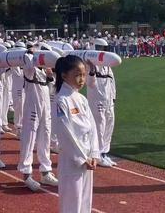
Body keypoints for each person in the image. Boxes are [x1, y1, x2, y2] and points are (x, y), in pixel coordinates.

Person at [55, 55, 99, 213]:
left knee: (85, 202)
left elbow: (92, 127)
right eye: (77, 75)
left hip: (87, 157)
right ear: (64, 76)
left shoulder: (81, 99)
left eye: (84, 75)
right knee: (71, 203)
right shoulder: (61, 100)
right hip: (72, 159)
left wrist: (93, 153)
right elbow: (65, 132)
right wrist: (81, 157)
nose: (82, 79)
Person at [17, 45, 58, 191]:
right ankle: (27, 174)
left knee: (45, 139)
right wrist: (31, 53)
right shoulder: (30, 70)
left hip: (45, 107)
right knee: (29, 139)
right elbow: (27, 64)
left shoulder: (46, 72)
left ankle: (45, 172)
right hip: (32, 107)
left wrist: (49, 76)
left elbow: (52, 89)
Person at [86, 39, 117, 167]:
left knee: (109, 126)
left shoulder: (107, 65)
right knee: (99, 127)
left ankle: (104, 152)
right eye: (101, 48)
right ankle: (97, 155)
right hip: (97, 100)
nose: (104, 51)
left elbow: (112, 82)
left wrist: (114, 96)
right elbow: (90, 84)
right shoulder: (90, 64)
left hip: (109, 100)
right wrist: (92, 71)